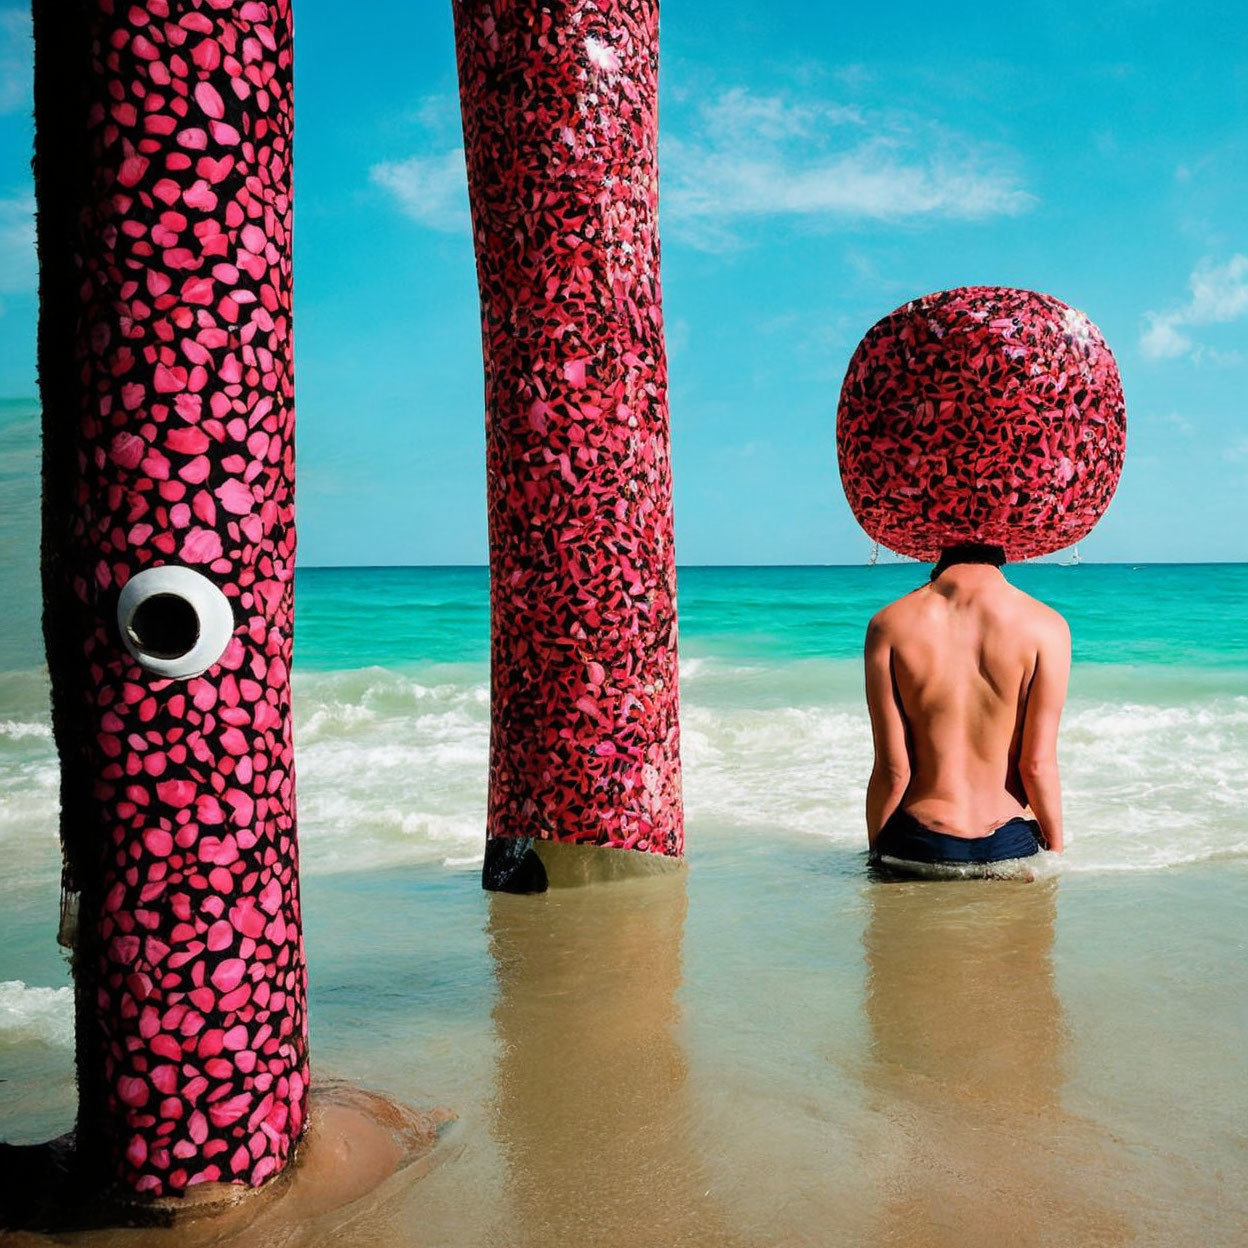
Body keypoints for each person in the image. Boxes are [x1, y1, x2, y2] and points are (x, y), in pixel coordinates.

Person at [864, 543, 1070, 867]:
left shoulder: (888, 624)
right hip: (1007, 844)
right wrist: (1056, 854)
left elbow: (893, 771)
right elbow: (1035, 766)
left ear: (934, 536)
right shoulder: (1048, 626)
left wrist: (877, 854)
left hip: (918, 842)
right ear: (1007, 536)